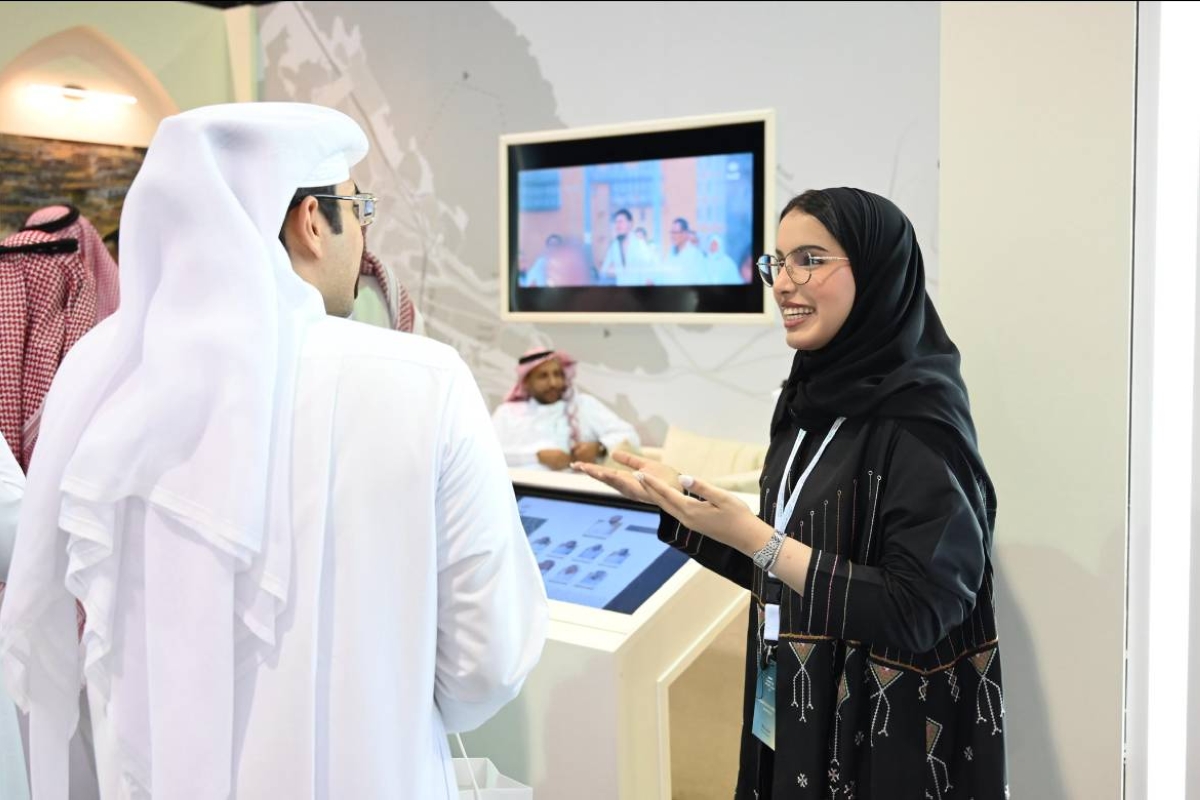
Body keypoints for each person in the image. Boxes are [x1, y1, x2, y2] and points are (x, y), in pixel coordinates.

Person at [0, 102, 547, 800]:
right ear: (312, 221)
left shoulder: (100, 380)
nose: (367, 233)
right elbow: (486, 666)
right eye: (360, 208)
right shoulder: (424, 381)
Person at [576, 188, 1006, 799]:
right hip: (798, 713)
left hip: (879, 736)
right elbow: (786, 564)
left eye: (810, 259)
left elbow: (920, 610)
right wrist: (680, 506)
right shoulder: (808, 402)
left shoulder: (919, 423)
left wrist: (761, 541)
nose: (782, 284)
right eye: (778, 262)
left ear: (877, 271)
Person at [492, 347, 640, 472]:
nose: (553, 383)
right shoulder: (506, 412)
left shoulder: (583, 405)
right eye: (543, 376)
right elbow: (489, 455)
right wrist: (537, 457)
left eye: (558, 374)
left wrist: (599, 447)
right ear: (526, 382)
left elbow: (630, 436)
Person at [598, 208, 655, 286]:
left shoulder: (640, 244)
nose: (618, 225)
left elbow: (649, 276)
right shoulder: (614, 246)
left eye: (621, 222)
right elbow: (604, 271)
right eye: (616, 222)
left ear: (630, 224)